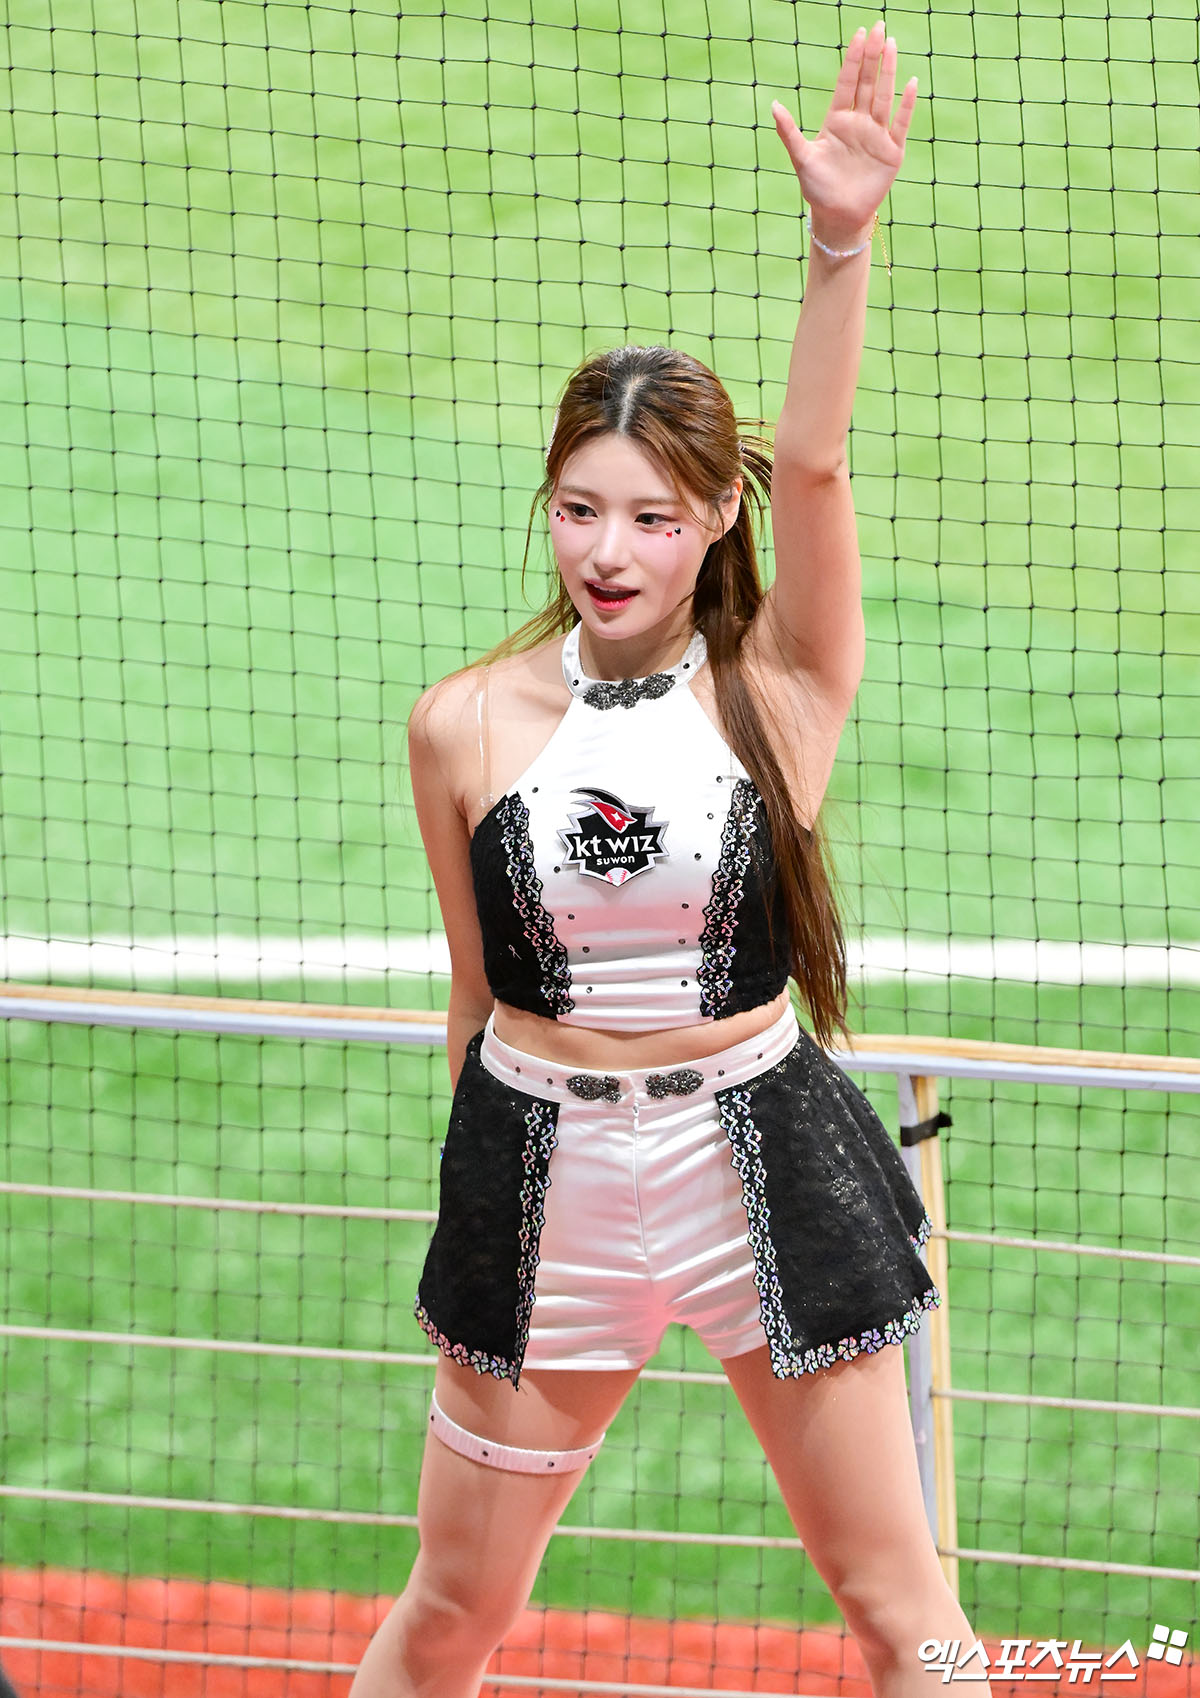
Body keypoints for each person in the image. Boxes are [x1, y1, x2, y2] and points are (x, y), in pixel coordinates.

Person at [351, 22, 991, 1698]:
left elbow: (821, 460)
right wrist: (482, 1206)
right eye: (580, 508)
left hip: (756, 1159)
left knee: (904, 1612)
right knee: (449, 1613)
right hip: (542, 1182)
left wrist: (840, 244)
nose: (609, 549)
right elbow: (474, 998)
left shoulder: (780, 687)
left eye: (650, 513)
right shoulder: (458, 724)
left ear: (715, 516)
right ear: (546, 508)